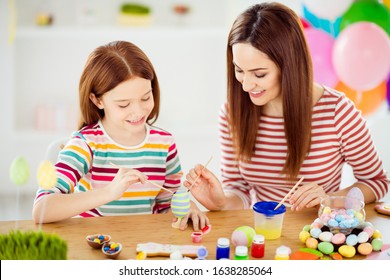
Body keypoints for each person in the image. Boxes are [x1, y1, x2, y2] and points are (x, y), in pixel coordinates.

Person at [184, 2, 389, 212]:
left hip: (318, 235)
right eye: (239, 70)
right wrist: (221, 202)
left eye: (259, 74)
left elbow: (377, 181)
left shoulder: (337, 112)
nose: (245, 85)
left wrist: (330, 198)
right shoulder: (231, 112)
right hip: (262, 232)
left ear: (289, 65)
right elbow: (239, 190)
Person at [32, 40, 208, 231]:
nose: (138, 111)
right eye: (124, 104)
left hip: (143, 243)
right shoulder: (85, 144)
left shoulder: (164, 143)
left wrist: (187, 206)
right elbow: (42, 209)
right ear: (97, 100)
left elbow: (167, 201)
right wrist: (108, 192)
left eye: (146, 98)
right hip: (95, 243)